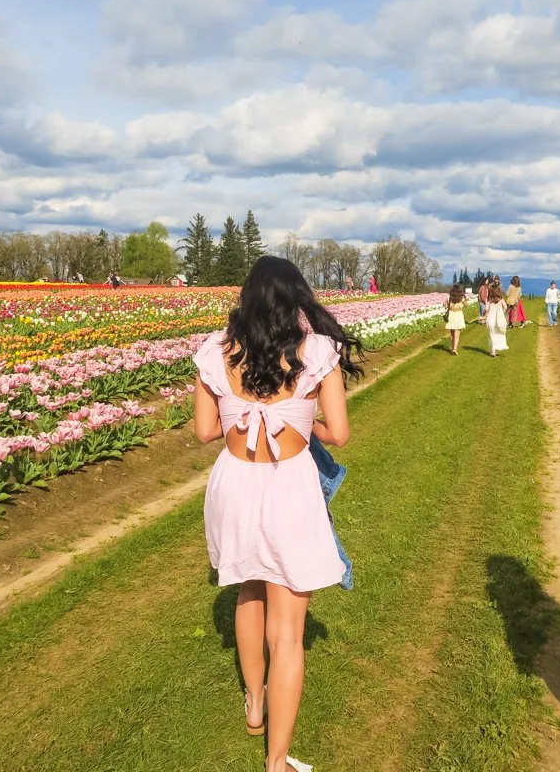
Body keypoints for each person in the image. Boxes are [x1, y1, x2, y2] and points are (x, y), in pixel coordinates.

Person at [192, 256, 364, 772]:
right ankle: (277, 761)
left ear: (247, 297)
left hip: (234, 483)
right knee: (288, 629)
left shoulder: (216, 352)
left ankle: (254, 704)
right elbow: (338, 432)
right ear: (296, 301)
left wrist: (241, 415)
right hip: (289, 484)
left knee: (247, 587)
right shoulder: (316, 352)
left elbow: (203, 432)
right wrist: (296, 421)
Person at [485, 283, 509, 357]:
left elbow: (487, 309)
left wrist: (485, 316)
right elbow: (505, 307)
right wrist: (501, 313)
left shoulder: (489, 299)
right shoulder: (500, 299)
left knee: (492, 334)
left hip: (490, 319)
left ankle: (493, 351)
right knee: (498, 334)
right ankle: (496, 350)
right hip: (499, 319)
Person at [444, 283, 467, 355]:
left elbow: (445, 305)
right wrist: (464, 300)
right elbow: (466, 305)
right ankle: (455, 349)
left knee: (452, 334)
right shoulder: (461, 298)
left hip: (451, 315)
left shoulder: (449, 297)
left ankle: (452, 348)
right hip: (458, 315)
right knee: (457, 333)